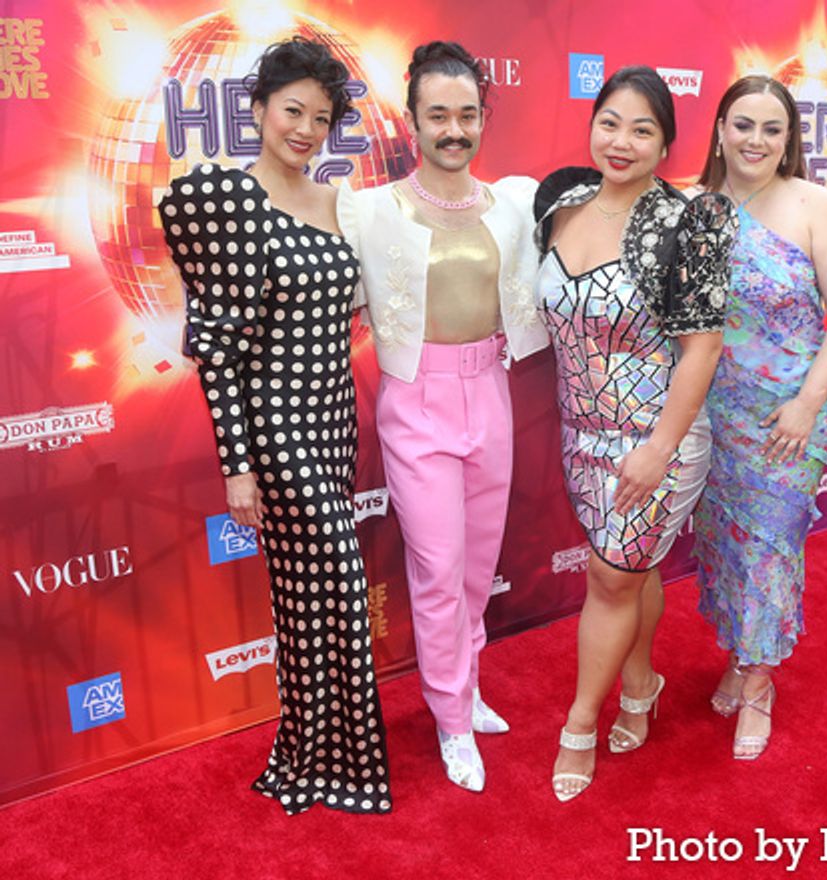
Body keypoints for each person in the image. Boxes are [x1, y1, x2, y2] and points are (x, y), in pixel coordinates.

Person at [157, 37, 391, 815]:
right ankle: (336, 765)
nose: (306, 129)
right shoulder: (224, 201)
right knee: (338, 585)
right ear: (256, 110)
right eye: (293, 111)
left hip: (332, 420)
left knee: (304, 597)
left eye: (321, 118)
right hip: (276, 428)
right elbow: (217, 352)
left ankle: (307, 753)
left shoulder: (336, 198)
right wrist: (238, 465)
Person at [336, 41, 548, 793]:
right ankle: (451, 718)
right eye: (438, 116)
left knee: (474, 567)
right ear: (414, 124)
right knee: (434, 568)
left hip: (488, 390)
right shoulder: (370, 210)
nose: (454, 130)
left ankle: (469, 685)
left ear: (483, 118)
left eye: (467, 115)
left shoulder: (516, 204)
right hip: (415, 400)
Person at [533, 66, 736, 802]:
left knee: (612, 575)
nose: (622, 141)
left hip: (659, 436)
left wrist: (657, 449)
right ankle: (642, 681)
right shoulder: (559, 203)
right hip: (579, 434)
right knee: (631, 569)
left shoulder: (689, 224)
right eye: (610, 122)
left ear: (666, 143)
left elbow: (703, 348)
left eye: (643, 129)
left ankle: (579, 723)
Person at [691, 76, 827, 760]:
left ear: (789, 137)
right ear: (720, 130)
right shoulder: (698, 208)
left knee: (768, 545)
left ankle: (760, 682)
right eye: (743, 125)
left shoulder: (815, 205)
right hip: (715, 411)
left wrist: (806, 403)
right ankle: (741, 653)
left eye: (771, 128)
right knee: (724, 542)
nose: (755, 140)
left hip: (794, 413)